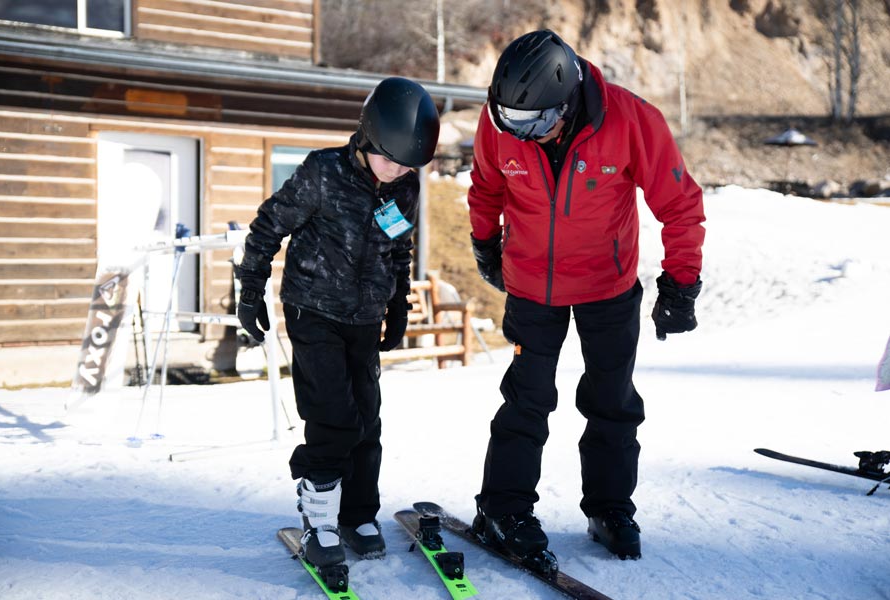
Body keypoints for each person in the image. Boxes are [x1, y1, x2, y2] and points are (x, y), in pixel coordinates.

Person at [468, 30, 706, 561]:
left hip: (608, 285)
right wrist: (484, 242)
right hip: (532, 286)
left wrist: (682, 281)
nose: (522, 135)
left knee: (612, 401)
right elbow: (486, 186)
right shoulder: (502, 120)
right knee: (526, 399)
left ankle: (610, 507)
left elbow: (680, 202)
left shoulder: (630, 120)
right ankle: (503, 509)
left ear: (567, 97)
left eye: (534, 123)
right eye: (512, 123)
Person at [235, 77, 440, 570]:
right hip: (313, 310)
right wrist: (250, 287)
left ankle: (356, 514)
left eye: (406, 163)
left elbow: (399, 247)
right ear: (368, 137)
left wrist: (398, 305)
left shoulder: (404, 185)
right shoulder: (322, 172)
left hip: (364, 317)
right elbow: (269, 225)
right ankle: (320, 519)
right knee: (333, 417)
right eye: (389, 158)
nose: (395, 171)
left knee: (367, 419)